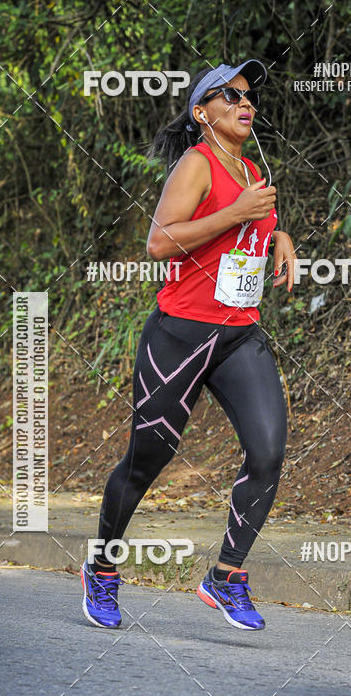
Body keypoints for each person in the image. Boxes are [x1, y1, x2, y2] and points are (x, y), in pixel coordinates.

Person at [81, 59, 296, 631]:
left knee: (268, 452)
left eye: (248, 95)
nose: (244, 103)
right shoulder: (195, 165)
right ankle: (101, 568)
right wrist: (238, 212)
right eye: (229, 96)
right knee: (145, 462)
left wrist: (279, 236)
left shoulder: (250, 167)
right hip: (179, 337)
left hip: (239, 337)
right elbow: (160, 242)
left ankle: (225, 577)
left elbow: (247, 227)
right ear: (202, 114)